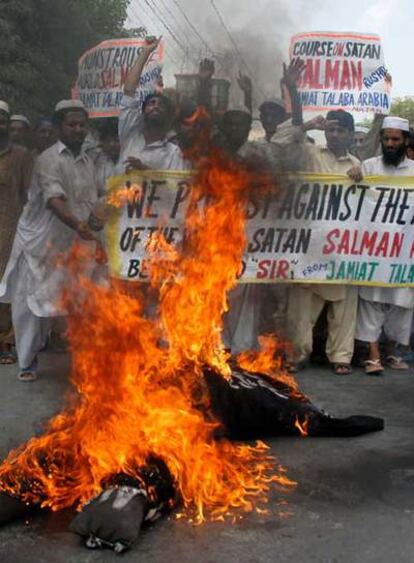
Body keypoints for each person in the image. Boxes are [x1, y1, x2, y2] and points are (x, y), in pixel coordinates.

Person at [0, 100, 103, 381]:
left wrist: (96, 220)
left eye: (82, 124)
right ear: (59, 127)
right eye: (72, 124)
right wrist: (81, 225)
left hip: (74, 245)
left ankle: (85, 363)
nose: (78, 129)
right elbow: (54, 201)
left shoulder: (89, 162)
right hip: (41, 246)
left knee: (82, 301)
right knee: (31, 305)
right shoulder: (46, 160)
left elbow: (94, 199)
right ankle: (28, 361)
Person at [285, 101, 360, 375]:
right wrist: (307, 125)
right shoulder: (311, 153)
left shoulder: (358, 165)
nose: (334, 135)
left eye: (341, 131)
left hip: (344, 246)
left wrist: (361, 179)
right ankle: (296, 354)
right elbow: (281, 142)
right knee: (302, 307)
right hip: (311, 242)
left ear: (352, 134)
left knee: (344, 305)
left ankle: (341, 356)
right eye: (331, 130)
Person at [350, 116, 414, 375]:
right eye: (386, 138)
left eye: (395, 139)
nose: (389, 143)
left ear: (405, 141)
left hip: (404, 249)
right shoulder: (368, 166)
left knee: (401, 302)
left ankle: (392, 352)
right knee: (371, 300)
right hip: (373, 248)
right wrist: (352, 177)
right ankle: (373, 356)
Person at [118, 36, 187, 173]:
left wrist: (144, 171)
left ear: (169, 117)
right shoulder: (130, 134)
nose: (156, 106)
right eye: (151, 103)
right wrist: (145, 52)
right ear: (142, 112)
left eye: (161, 105)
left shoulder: (174, 153)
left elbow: (174, 189)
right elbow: (129, 90)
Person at [0, 101, 34, 365]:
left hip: (10, 230)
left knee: (6, 288)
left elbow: (27, 194)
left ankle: (6, 343)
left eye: (3, 120)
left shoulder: (21, 155)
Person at [95, 118, 120, 193]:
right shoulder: (96, 161)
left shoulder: (128, 160)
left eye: (116, 140)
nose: (112, 145)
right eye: (108, 141)